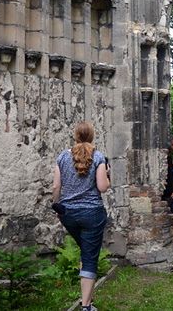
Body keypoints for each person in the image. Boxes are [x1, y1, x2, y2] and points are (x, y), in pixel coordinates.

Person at [52, 122, 110, 311]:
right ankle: (85, 307)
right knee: (90, 257)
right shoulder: (98, 157)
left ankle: (88, 302)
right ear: (92, 136)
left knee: (86, 252)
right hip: (92, 214)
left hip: (69, 214)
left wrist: (58, 208)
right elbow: (102, 187)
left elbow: (56, 187)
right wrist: (107, 174)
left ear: (75, 136)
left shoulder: (62, 156)